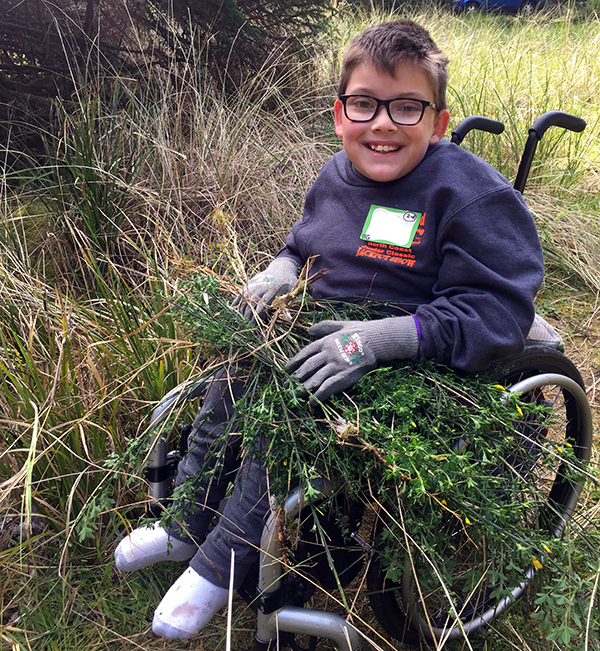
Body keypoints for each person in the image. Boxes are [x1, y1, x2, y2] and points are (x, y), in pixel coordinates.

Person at [114, 20, 545, 639]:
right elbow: (300, 246)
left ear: (440, 122)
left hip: (414, 351)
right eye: (365, 104)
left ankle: (219, 566)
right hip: (319, 328)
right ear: (339, 113)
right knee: (226, 389)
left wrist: (380, 339)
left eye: (407, 107)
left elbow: (499, 315)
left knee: (287, 420)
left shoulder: (471, 196)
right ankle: (185, 526)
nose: (382, 124)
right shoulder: (335, 176)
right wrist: (277, 270)